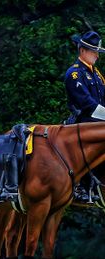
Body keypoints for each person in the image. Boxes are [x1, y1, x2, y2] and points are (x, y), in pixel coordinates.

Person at [65, 30, 105, 203]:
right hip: (84, 122)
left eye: (97, 52)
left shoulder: (97, 74)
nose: (97, 55)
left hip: (99, 122)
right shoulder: (74, 73)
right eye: (94, 51)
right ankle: (80, 185)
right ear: (82, 51)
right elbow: (87, 104)